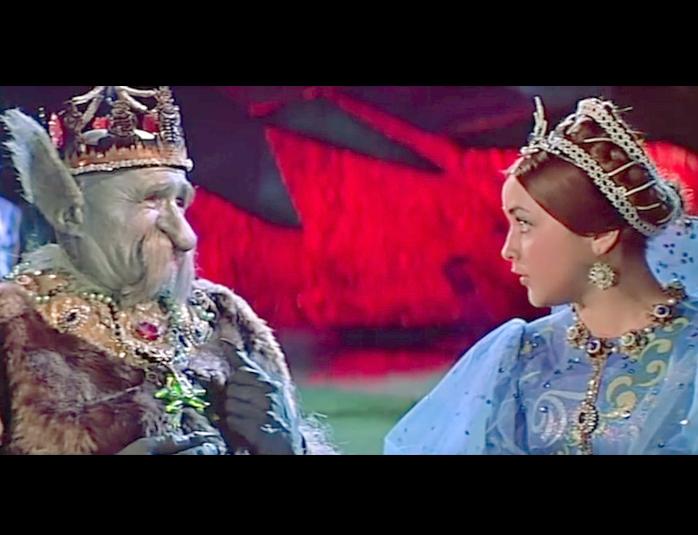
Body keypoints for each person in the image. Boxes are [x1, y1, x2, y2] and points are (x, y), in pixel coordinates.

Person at [0, 86, 334, 455]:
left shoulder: (224, 316)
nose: (185, 236)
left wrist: (288, 447)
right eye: (152, 201)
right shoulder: (12, 326)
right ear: (68, 212)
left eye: (180, 202)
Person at [385, 96, 698, 455]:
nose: (508, 249)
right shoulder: (522, 356)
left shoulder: (689, 353)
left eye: (525, 224)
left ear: (600, 236)